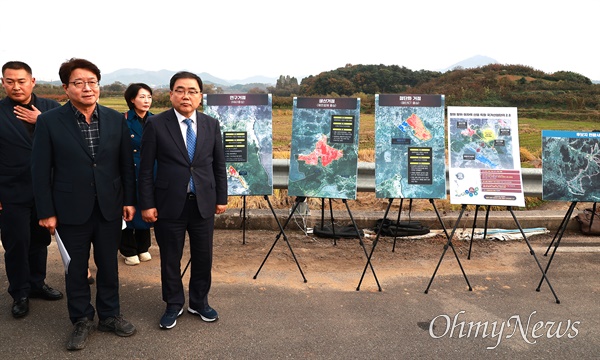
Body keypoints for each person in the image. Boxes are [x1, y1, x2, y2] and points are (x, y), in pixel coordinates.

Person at [31, 58, 137, 350]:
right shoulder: (50, 122)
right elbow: (40, 170)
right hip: (68, 209)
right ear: (66, 88)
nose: (87, 88)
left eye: (92, 82)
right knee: (75, 268)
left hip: (109, 207)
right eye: (79, 83)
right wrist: (46, 211)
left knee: (108, 265)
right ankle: (81, 319)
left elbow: (126, 164)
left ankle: (110, 315)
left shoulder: (116, 119)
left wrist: (129, 200)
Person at [138, 71, 227, 330]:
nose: (185, 95)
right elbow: (144, 169)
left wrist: (221, 197)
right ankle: (173, 303)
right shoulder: (156, 124)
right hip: (168, 203)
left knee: (203, 256)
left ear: (200, 96)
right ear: (171, 94)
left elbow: (218, 165)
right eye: (180, 90)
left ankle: (199, 302)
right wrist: (147, 203)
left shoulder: (211, 124)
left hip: (203, 203)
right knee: (170, 257)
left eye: (192, 91)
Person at [0, 61, 63, 319]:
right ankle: (20, 292)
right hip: (11, 191)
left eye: (21, 81)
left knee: (40, 241)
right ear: (3, 82)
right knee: (16, 243)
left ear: (32, 81)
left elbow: (67, 141)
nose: (16, 86)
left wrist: (43, 121)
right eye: (10, 81)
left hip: (46, 190)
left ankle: (37, 283)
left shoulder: (51, 109)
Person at [120, 83, 154, 266]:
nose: (146, 100)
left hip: (148, 171)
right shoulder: (122, 120)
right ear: (132, 99)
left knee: (146, 206)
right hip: (129, 169)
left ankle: (143, 247)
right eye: (142, 97)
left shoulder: (155, 120)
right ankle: (127, 249)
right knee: (127, 208)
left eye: (149, 96)